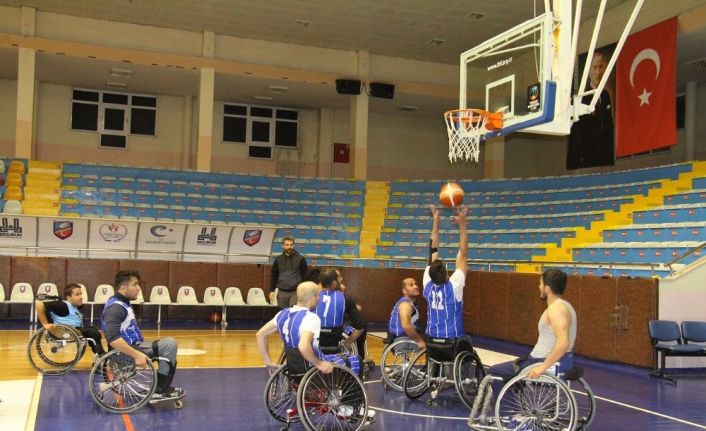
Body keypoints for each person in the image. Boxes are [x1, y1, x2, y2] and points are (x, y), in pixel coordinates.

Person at [101, 269, 183, 400]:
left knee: (167, 348)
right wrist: (137, 355)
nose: (139, 288)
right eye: (135, 284)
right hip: (125, 353)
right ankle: (159, 390)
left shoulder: (122, 302)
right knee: (169, 345)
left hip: (132, 347)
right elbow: (112, 338)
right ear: (123, 287)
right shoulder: (116, 308)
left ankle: (160, 387)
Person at [488, 268, 577, 380]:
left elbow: (563, 343)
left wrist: (542, 368)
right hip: (561, 361)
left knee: (494, 372)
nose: (539, 287)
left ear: (547, 289)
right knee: (514, 367)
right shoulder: (567, 306)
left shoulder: (556, 309)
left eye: (540, 284)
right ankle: (516, 396)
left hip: (540, 361)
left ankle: (507, 398)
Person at [424, 206, 472, 348]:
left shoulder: (427, 283)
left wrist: (435, 221)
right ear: (447, 275)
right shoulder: (454, 285)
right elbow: (463, 253)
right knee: (469, 349)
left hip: (431, 339)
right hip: (453, 340)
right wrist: (462, 224)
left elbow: (432, 249)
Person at [567, 48, 615, 170]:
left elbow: (608, 126)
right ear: (588, 71)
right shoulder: (581, 97)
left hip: (604, 156)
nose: (598, 72)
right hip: (586, 157)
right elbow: (576, 131)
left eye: (600, 67)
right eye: (595, 68)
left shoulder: (605, 95)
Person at [35, 283, 106, 356]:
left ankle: (100, 355)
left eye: (81, 294)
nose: (81, 297)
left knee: (92, 330)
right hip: (66, 332)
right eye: (77, 295)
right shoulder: (63, 305)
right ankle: (101, 355)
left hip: (73, 330)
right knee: (93, 332)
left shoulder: (74, 306)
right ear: (68, 297)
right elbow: (39, 304)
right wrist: (45, 324)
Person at [315, 268, 367, 358]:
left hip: (315, 341)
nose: (341, 279)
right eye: (339, 278)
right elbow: (361, 326)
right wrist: (348, 342)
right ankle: (361, 357)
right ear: (334, 283)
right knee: (362, 325)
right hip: (335, 342)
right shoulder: (344, 297)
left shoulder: (312, 296)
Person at [387, 277, 425, 350]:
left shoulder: (409, 303)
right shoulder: (405, 304)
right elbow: (406, 326)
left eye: (415, 284)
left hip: (400, 337)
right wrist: (420, 341)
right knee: (434, 341)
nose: (416, 286)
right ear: (404, 291)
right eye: (411, 285)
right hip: (401, 340)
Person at [270, 236, 308, 308]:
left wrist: (304, 290)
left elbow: (305, 275)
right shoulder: (278, 259)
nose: (289, 247)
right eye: (287, 245)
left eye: (291, 245)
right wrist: (272, 290)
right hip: (282, 292)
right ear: (283, 245)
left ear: (294, 245)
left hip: (295, 292)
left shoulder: (300, 258)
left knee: (293, 312)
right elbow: (274, 275)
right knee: (282, 313)